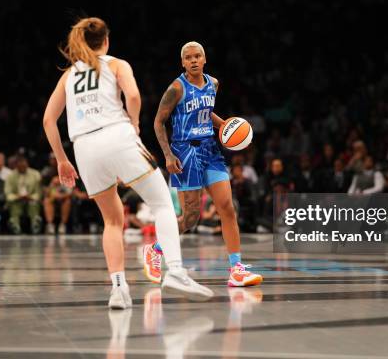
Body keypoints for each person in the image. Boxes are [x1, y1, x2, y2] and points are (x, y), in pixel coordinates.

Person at [42, 17, 212, 309]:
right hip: (117, 135)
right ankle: (176, 271)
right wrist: (133, 123)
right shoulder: (116, 64)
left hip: (84, 148)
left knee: (112, 220)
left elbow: (48, 120)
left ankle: (119, 289)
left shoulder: (68, 75)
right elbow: (132, 95)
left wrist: (61, 160)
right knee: (161, 205)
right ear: (106, 41)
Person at [148, 41, 263, 287]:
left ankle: (236, 269)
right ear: (182, 62)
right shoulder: (176, 89)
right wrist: (168, 155)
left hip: (211, 149)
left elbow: (205, 111)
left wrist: (225, 126)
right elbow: (158, 122)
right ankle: (156, 249)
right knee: (190, 218)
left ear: (204, 58)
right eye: (188, 57)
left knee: (227, 208)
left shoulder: (214, 84)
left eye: (197, 56)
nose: (193, 60)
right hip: (184, 152)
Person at [4, 155, 42, 234]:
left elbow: (39, 192)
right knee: (14, 205)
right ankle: (15, 225)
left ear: (27, 165)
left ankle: (35, 224)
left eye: (24, 166)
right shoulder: (10, 176)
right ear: (16, 166)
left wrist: (31, 197)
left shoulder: (35, 174)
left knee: (33, 204)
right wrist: (17, 197)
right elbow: (8, 193)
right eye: (20, 166)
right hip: (17, 200)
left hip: (31, 199)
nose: (22, 168)